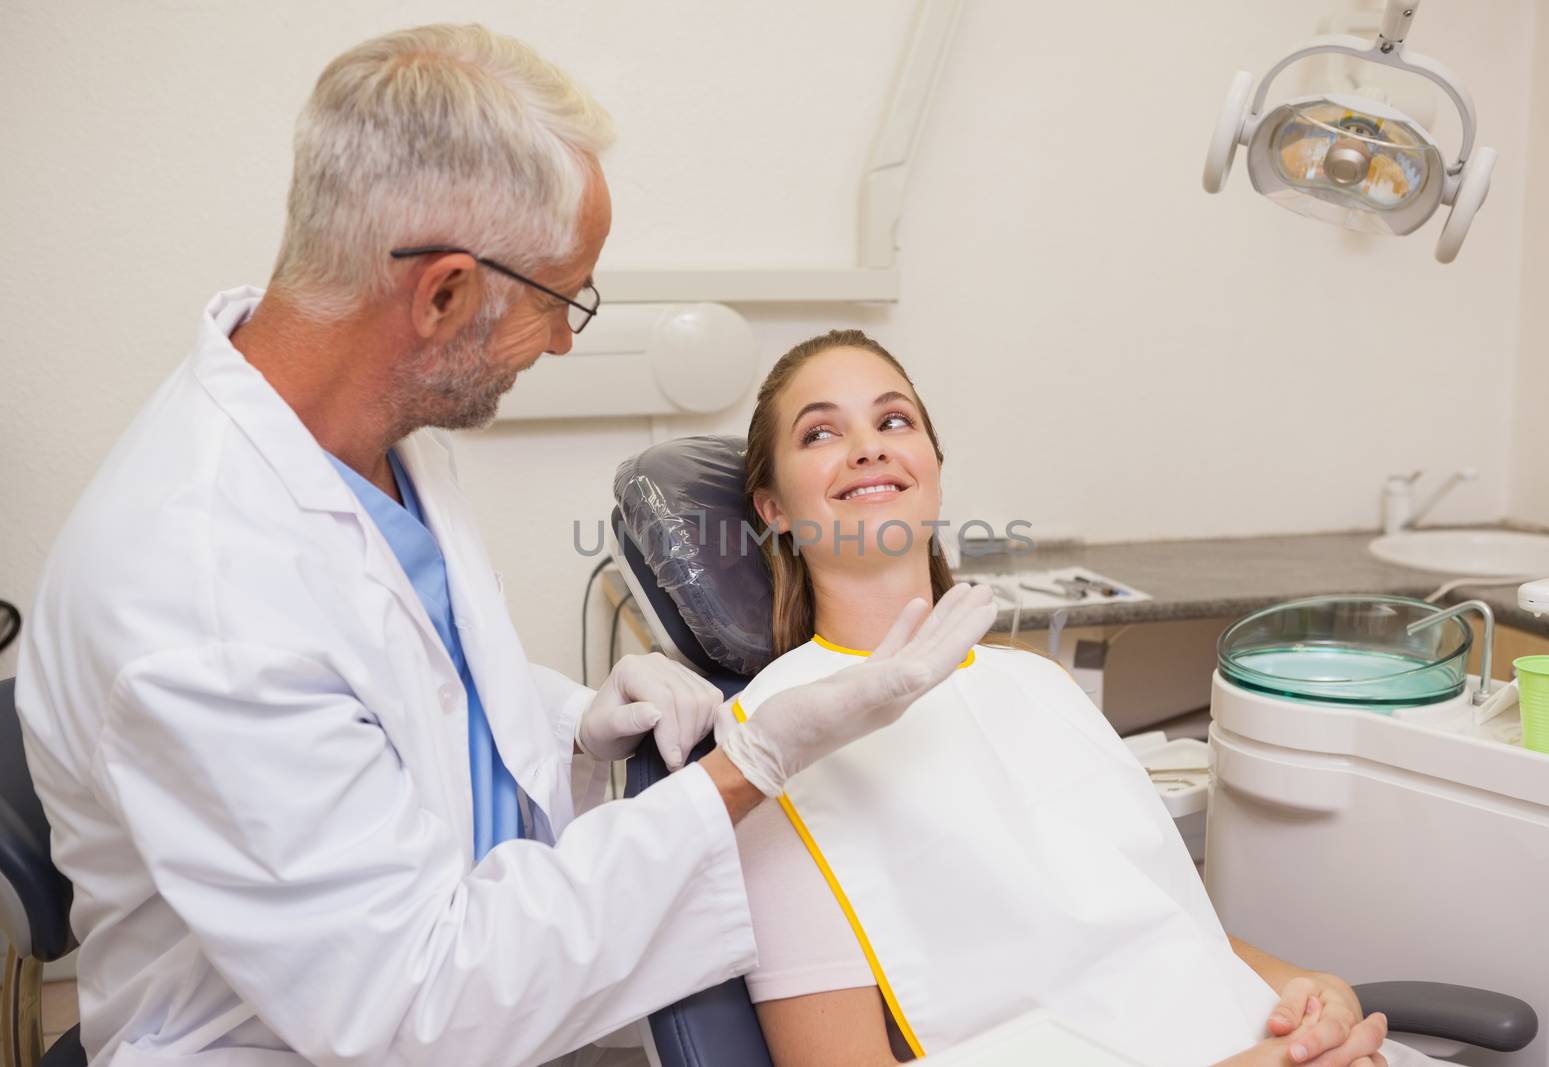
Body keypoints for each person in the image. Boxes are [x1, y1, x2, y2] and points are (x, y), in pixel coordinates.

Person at [13, 28, 998, 1067]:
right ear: (441, 293)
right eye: (560, 299)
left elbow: (409, 691)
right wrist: (757, 760)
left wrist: (575, 720)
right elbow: (417, 1003)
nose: (567, 340)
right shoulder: (196, 593)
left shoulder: (373, 439)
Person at [727, 330, 1432, 1067]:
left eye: (894, 420)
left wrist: (1312, 991)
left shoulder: (1033, 681)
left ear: (934, 467)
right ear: (773, 506)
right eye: (821, 432)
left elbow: (1153, 925)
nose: (869, 447)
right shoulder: (775, 740)